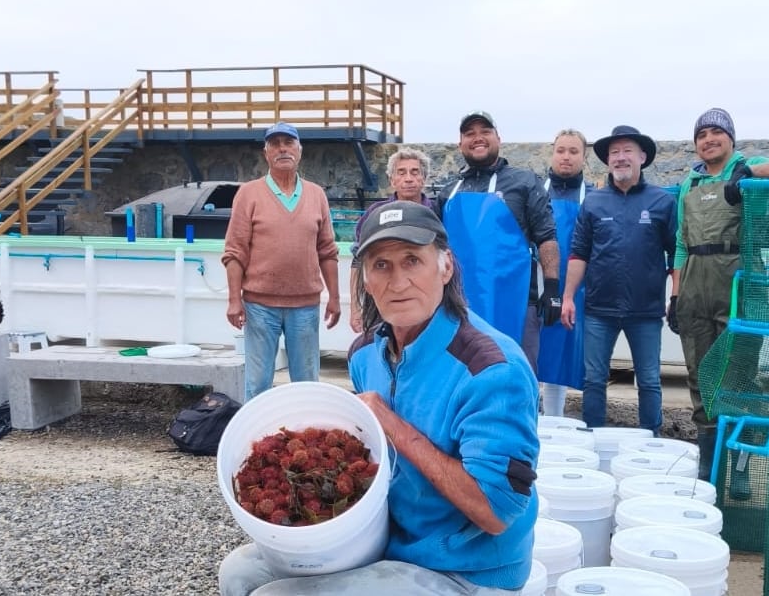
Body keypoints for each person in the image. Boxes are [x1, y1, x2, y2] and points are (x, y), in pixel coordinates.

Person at [218, 201, 540, 595]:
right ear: (365, 280)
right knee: (236, 574)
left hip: (467, 569)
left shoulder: (490, 369)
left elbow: (496, 513)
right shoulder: (365, 353)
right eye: (381, 265)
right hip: (389, 542)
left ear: (446, 266)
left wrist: (393, 426)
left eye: (412, 260)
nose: (398, 281)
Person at [671, 107, 769, 497]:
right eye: (702, 134)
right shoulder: (689, 182)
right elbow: (681, 244)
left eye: (717, 132)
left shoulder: (749, 169)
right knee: (701, 376)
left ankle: (742, 465)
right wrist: (676, 294)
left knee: (741, 374)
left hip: (742, 281)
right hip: (696, 282)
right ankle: (707, 463)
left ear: (731, 138)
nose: (708, 140)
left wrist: (749, 176)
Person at [559, 125, 676, 434]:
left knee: (649, 381)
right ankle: (592, 439)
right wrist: (569, 297)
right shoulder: (594, 202)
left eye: (627, 151)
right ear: (607, 161)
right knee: (594, 380)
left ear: (642, 157)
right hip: (599, 309)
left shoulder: (662, 202)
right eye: (614, 153)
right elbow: (578, 254)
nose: (620, 158)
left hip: (646, 311)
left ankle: (652, 440)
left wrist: (675, 295)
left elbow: (677, 254)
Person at [221, 121, 341, 402]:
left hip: (306, 306)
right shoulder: (248, 193)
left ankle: (304, 437)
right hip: (259, 306)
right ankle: (255, 441)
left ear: (299, 151)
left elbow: (327, 250)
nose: (282, 149)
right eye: (275, 144)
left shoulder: (316, 194)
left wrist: (335, 297)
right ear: (266, 153)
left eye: (289, 143)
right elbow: (235, 251)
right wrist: (233, 299)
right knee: (258, 382)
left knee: (307, 382)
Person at [438, 111, 559, 370]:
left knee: (518, 373)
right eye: (469, 134)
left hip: (517, 302)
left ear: (498, 138)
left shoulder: (525, 182)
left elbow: (546, 237)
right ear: (460, 144)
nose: (477, 138)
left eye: (485, 132)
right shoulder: (449, 191)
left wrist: (552, 288)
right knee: (462, 376)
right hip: (460, 305)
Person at [347, 148, 440, 332]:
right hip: (383, 301)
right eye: (401, 172)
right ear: (392, 180)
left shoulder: (439, 213)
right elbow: (358, 261)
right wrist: (355, 306)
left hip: (430, 304)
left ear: (424, 178)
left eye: (415, 172)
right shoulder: (374, 216)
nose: (408, 178)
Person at [536, 129, 594, 417]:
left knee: (560, 355)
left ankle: (554, 420)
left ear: (584, 157)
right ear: (552, 153)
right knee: (533, 350)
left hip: (576, 286)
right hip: (536, 283)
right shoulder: (535, 191)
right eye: (561, 150)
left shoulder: (592, 196)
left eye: (574, 151)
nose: (566, 157)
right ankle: (528, 418)